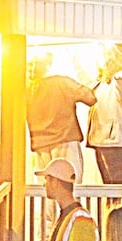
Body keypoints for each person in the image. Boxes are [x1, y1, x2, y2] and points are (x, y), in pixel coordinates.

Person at [26, 52, 95, 180]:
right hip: (65, 139)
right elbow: (91, 98)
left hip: (40, 144)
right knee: (71, 185)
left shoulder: (27, 89)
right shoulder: (62, 82)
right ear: (49, 65)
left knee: (46, 189)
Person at [87, 43, 122, 184]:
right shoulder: (101, 82)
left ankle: (118, 205)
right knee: (108, 183)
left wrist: (120, 80)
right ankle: (111, 205)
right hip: (100, 137)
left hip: (112, 137)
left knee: (116, 182)